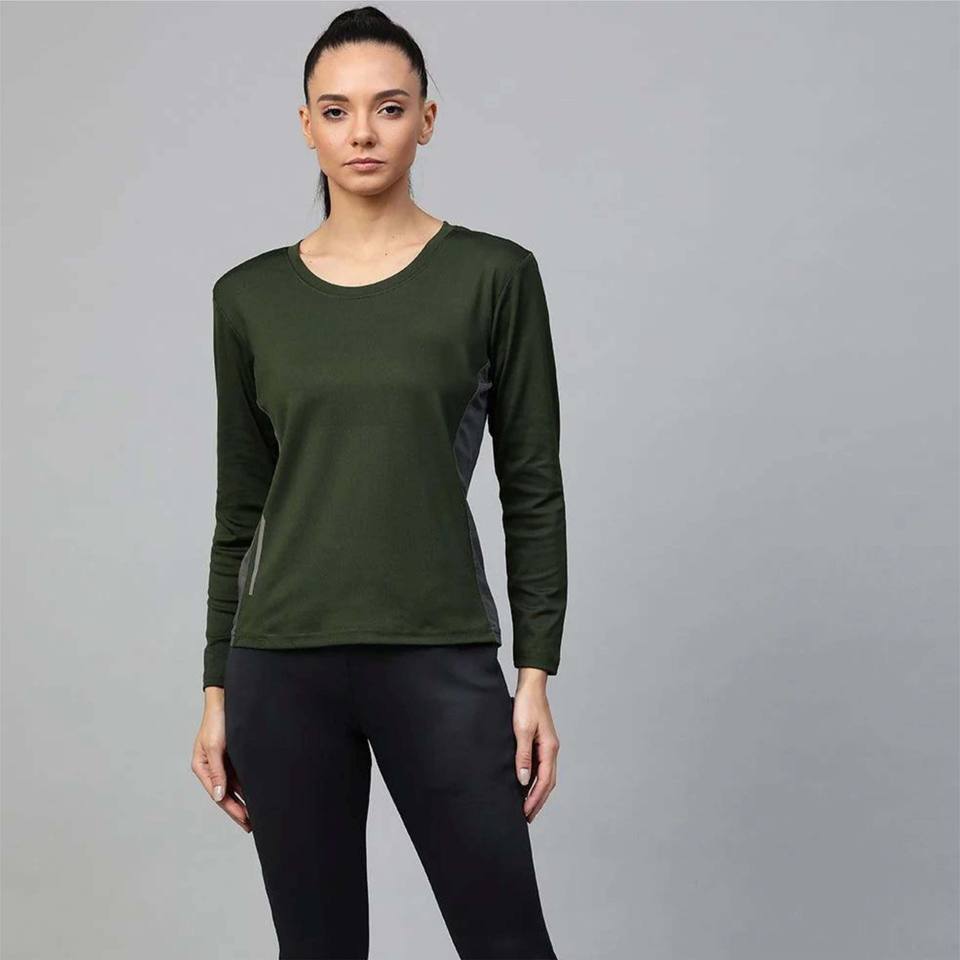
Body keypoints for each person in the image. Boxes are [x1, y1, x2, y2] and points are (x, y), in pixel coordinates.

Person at [190, 7, 567, 959]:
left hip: (438, 655)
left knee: (507, 942)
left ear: (426, 120)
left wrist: (534, 674)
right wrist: (216, 687)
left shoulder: (494, 276)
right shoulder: (248, 298)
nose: (363, 132)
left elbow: (531, 486)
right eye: (337, 110)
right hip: (280, 665)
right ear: (306, 125)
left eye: (389, 108)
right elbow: (241, 507)